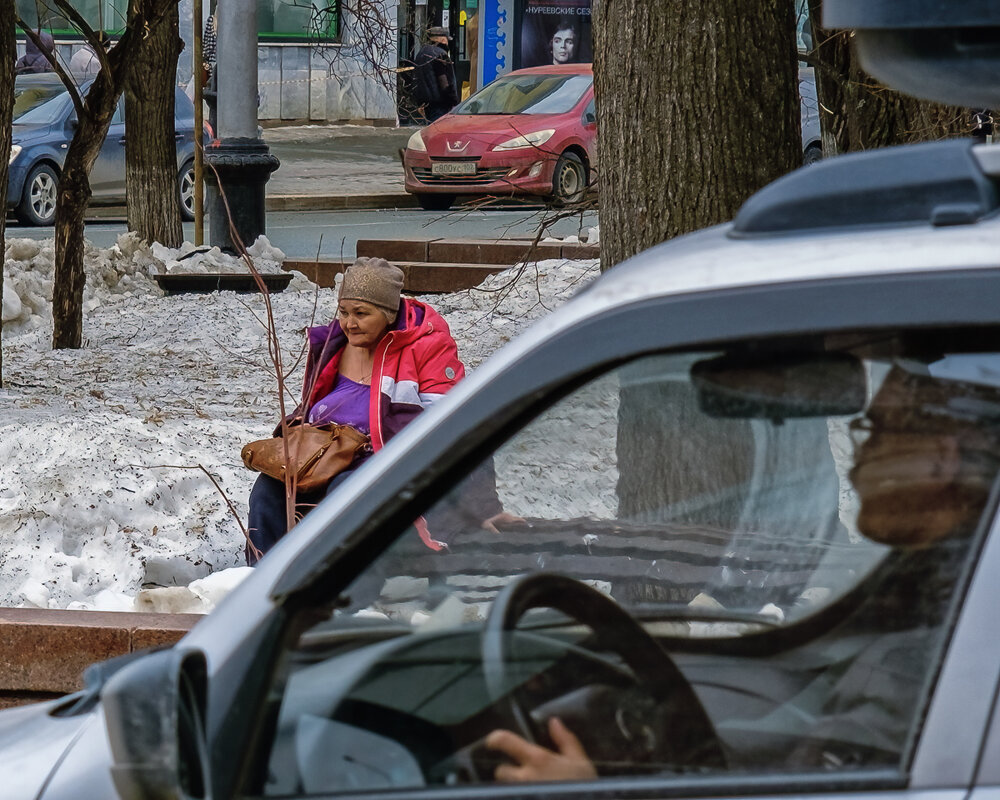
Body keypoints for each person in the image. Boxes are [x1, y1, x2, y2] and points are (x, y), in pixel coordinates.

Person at [482, 357, 1000, 782]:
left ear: (941, 459)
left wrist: (593, 792)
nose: (859, 454)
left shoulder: (935, 638)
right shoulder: (933, 584)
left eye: (876, 430)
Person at [246, 257, 517, 564]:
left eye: (361, 313)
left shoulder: (428, 348)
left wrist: (483, 508)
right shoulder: (333, 344)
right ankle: (262, 582)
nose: (349, 323)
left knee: (345, 491)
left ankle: (338, 587)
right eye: (344, 311)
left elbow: (460, 428)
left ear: (388, 313)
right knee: (269, 489)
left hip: (390, 468)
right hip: (327, 459)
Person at [412, 26, 459, 123]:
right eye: (447, 39)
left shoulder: (421, 53)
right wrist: (453, 100)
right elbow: (444, 82)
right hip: (441, 105)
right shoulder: (441, 55)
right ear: (443, 39)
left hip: (426, 104)